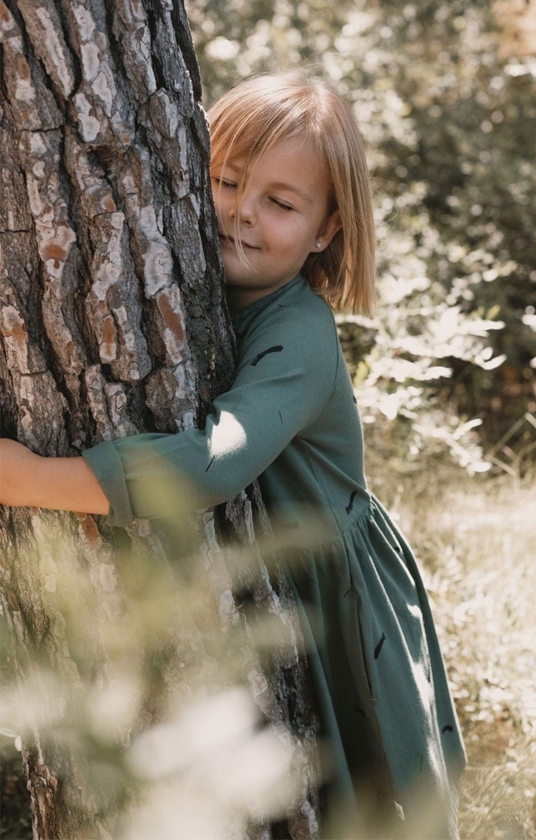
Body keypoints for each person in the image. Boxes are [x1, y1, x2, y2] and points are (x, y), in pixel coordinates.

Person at [0, 71, 466, 838]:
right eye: (225, 180)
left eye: (281, 203)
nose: (242, 213)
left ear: (326, 230)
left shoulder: (303, 334)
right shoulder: (194, 294)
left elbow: (214, 465)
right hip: (275, 576)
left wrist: (27, 480)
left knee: (358, 786)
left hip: (335, 589)